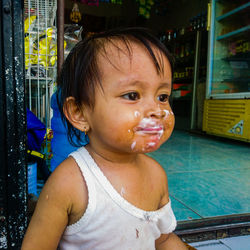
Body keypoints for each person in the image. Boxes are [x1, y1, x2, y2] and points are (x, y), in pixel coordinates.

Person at [22, 27, 187, 250]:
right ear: (79, 113)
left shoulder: (156, 175)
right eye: (132, 95)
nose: (157, 110)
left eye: (162, 96)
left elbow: (163, 239)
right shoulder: (69, 183)